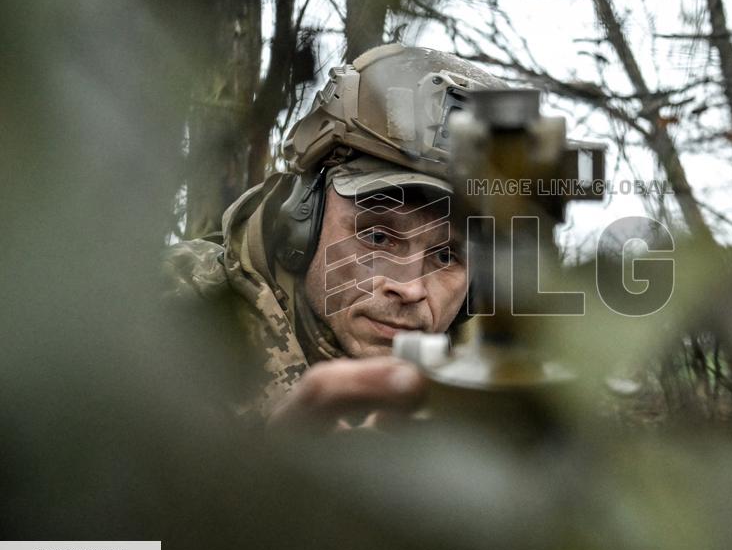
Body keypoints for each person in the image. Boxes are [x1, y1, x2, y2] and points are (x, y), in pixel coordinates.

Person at [163, 44, 505, 428]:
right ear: (300, 221)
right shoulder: (167, 324)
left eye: (446, 257)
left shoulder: (488, 406)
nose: (410, 289)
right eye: (378, 237)